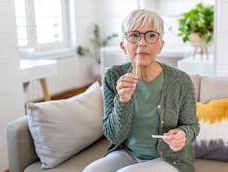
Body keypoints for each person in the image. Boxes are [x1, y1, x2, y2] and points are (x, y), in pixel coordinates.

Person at [83, 9, 200, 172]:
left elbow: (192, 126)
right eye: (134, 35)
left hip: (169, 160)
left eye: (151, 35)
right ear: (123, 45)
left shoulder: (181, 80)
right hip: (127, 154)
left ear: (161, 45)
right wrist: (123, 101)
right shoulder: (113, 76)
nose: (142, 42)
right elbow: (113, 136)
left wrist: (182, 134)